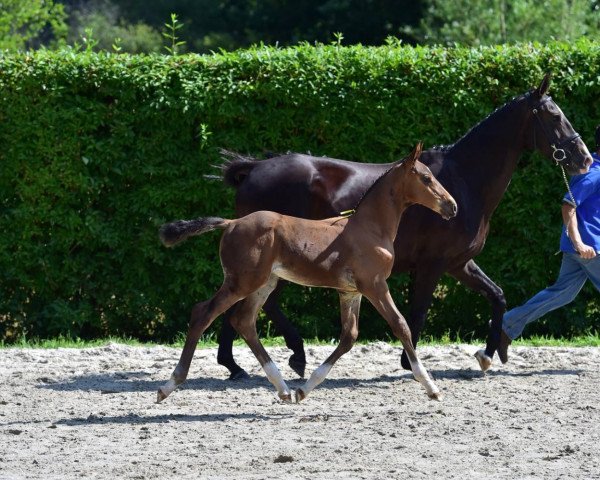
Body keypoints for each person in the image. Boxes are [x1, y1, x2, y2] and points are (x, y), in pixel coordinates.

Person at [498, 125, 600, 363]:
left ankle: (505, 327)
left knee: (560, 294)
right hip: (590, 249)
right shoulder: (594, 173)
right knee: (560, 294)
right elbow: (568, 206)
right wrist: (579, 243)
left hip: (581, 250)